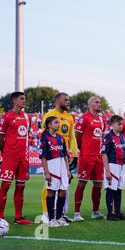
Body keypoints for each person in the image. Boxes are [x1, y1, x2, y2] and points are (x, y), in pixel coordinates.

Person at [41, 92, 78, 224]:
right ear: (58, 101)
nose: (68, 102)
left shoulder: (69, 117)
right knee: (49, 188)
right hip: (52, 157)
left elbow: (72, 137)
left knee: (64, 188)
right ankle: (47, 214)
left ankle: (60, 214)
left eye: (69, 100)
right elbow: (44, 135)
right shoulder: (49, 115)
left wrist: (75, 154)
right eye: (66, 100)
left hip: (64, 157)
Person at [0, 92, 33, 224]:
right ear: (14, 101)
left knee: (20, 187)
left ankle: (18, 217)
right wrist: (5, 153)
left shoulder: (26, 117)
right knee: (5, 186)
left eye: (25, 98)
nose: (24, 101)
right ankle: (0, 216)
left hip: (23, 158)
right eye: (21, 99)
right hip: (10, 157)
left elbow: (26, 136)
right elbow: (0, 137)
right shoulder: (6, 117)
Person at [73, 97, 106, 221]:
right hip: (87, 156)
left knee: (98, 184)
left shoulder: (102, 120)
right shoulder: (84, 118)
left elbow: (101, 137)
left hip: (98, 156)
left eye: (100, 102)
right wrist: (84, 150)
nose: (99, 104)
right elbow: (77, 137)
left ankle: (95, 211)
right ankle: (76, 213)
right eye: (97, 102)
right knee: (82, 183)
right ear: (90, 104)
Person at [39, 116, 71, 227]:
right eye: (56, 122)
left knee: (63, 191)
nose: (59, 124)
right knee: (51, 191)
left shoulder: (61, 138)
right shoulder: (45, 138)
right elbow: (43, 157)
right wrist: (46, 172)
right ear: (49, 125)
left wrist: (68, 170)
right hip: (52, 166)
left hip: (62, 166)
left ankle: (59, 217)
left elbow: (65, 155)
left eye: (59, 122)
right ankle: (51, 219)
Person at [102, 115, 125, 221]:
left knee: (118, 189)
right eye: (119, 124)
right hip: (112, 165)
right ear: (113, 124)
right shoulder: (108, 137)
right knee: (110, 189)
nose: (121, 126)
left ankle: (117, 212)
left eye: (122, 124)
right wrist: (107, 171)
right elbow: (104, 154)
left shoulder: (122, 137)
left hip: (122, 166)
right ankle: (110, 213)